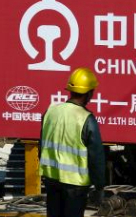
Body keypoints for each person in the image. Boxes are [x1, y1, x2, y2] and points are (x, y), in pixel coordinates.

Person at [40, 68, 106, 217]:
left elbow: (41, 146)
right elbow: (96, 157)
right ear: (89, 93)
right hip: (75, 186)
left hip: (51, 179)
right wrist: (99, 186)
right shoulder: (86, 119)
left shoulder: (50, 112)